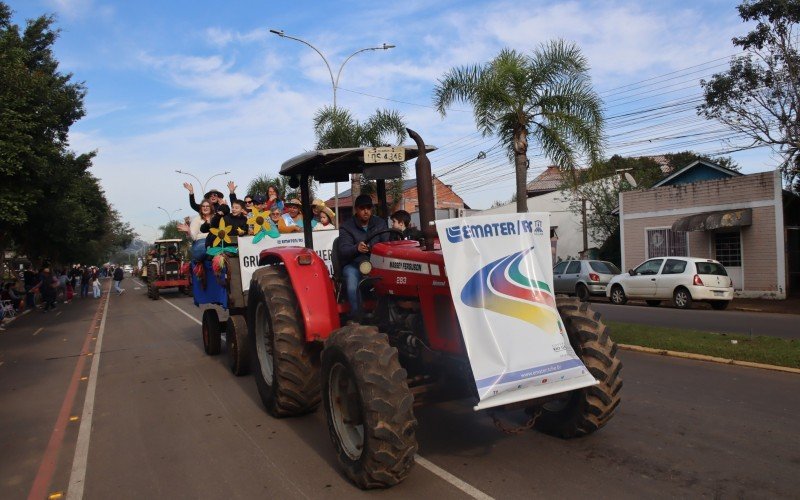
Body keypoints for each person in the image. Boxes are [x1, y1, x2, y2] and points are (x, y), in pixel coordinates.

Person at [338, 194, 389, 317]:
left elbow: (387, 243)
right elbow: (343, 249)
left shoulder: (380, 223)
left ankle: (387, 312)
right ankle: (357, 316)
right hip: (355, 263)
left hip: (376, 263)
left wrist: (373, 247)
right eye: (362, 208)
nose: (366, 211)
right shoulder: (347, 227)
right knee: (351, 278)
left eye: (368, 208)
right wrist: (357, 248)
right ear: (356, 209)